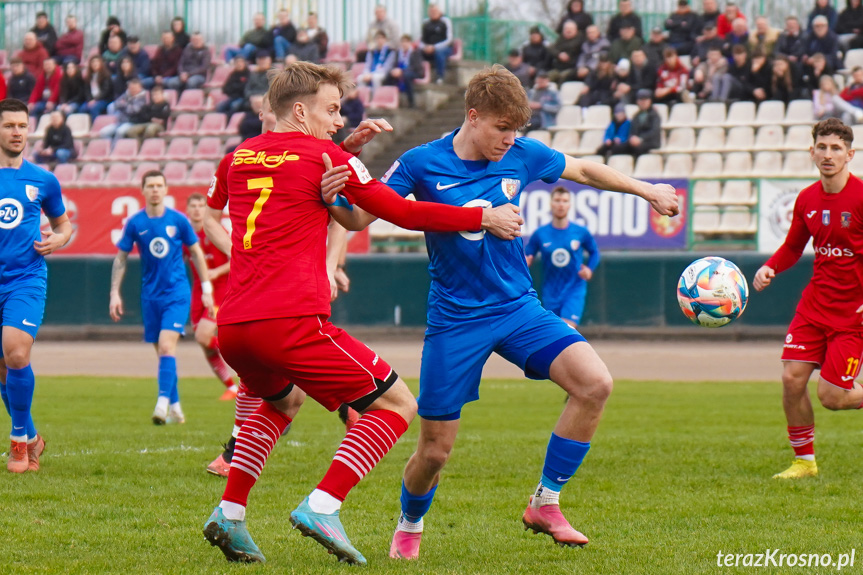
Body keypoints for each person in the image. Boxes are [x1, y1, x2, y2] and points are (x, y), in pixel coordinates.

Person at [319, 65, 678, 560]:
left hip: (518, 308)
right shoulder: (421, 162)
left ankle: (545, 502)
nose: (510, 140)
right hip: (455, 321)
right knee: (435, 452)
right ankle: (410, 522)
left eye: (517, 130)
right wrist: (330, 206)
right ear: (472, 116)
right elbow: (359, 216)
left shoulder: (522, 155)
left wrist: (646, 189)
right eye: (502, 128)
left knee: (595, 384)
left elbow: (586, 170)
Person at [200, 61, 524, 566]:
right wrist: (479, 215)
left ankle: (231, 512)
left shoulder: (237, 156)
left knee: (282, 404)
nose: (338, 120)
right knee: (396, 405)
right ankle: (323, 505)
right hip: (290, 321)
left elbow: (220, 203)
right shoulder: (325, 154)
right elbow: (400, 210)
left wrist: (342, 153)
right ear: (301, 109)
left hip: (235, 325)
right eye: (332, 110)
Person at [201, 93, 362, 477]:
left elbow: (343, 213)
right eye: (274, 108)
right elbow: (210, 218)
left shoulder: (315, 152)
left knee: (288, 373)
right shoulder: (239, 158)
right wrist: (240, 253)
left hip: (299, 278)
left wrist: (330, 264)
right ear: (264, 112)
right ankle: (239, 459)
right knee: (268, 373)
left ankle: (237, 457)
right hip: (256, 280)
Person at [753, 118, 863, 479]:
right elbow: (792, 247)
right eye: (822, 146)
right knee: (791, 379)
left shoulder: (861, 197)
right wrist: (770, 267)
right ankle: (804, 462)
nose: (827, 154)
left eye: (836, 148)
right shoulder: (807, 199)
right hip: (814, 306)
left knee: (832, 397)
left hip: (853, 314)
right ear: (811, 151)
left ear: (850, 154)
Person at [109, 170, 214, 425]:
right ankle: (176, 407)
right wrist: (114, 293)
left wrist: (207, 288)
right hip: (150, 296)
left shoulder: (178, 221)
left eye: (159, 185)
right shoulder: (135, 223)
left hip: (177, 294)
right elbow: (121, 258)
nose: (155, 190)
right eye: (150, 186)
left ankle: (161, 405)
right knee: (164, 354)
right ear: (143, 190)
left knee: (168, 347)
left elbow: (197, 253)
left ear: (166, 190)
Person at [0, 98, 71, 473]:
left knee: (15, 354)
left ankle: (17, 445)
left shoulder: (43, 179)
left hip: (25, 278)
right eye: (9, 125)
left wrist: (59, 239)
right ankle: (32, 437)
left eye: (22, 126)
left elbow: (64, 225)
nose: (16, 132)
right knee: (2, 368)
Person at [183, 194, 237, 400]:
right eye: (193, 206)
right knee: (203, 343)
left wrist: (217, 272)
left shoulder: (215, 231)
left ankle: (244, 356)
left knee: (204, 336)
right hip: (198, 291)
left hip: (221, 289)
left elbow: (236, 258)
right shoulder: (185, 235)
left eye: (200, 205)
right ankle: (231, 387)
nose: (197, 209)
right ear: (187, 210)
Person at [525, 187, 600, 328]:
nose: (561, 204)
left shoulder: (580, 232)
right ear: (551, 204)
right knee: (553, 331)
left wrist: (589, 270)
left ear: (570, 205)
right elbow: (528, 255)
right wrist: (526, 262)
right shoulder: (540, 234)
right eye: (557, 200)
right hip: (551, 291)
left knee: (567, 328)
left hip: (574, 288)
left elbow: (594, 252)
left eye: (565, 201)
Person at [385, 34, 425, 108]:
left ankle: (412, 102)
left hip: (416, 72)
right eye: (402, 42)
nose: (404, 44)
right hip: (402, 71)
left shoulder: (415, 52)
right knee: (389, 76)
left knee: (406, 76)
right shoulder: (398, 53)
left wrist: (402, 71)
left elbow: (415, 67)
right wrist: (394, 70)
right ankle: (390, 99)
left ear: (410, 43)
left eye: (406, 42)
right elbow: (395, 64)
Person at [420, 3, 453, 83]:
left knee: (439, 52)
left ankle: (440, 76)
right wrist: (425, 47)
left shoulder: (445, 21)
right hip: (428, 48)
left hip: (444, 48)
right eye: (431, 11)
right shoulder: (426, 23)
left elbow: (449, 39)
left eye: (435, 11)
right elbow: (421, 40)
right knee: (416, 53)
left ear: (439, 11)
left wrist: (435, 47)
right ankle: (419, 74)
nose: (433, 13)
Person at [548, 20, 583, 85]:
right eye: (566, 29)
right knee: (546, 78)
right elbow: (552, 48)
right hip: (558, 67)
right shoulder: (561, 39)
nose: (568, 31)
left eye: (570, 29)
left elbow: (572, 47)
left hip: (572, 68)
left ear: (576, 30)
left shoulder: (580, 39)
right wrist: (559, 54)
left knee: (563, 77)